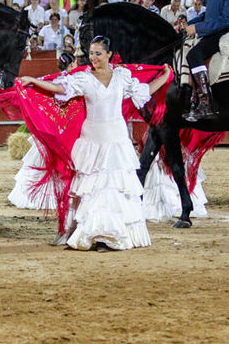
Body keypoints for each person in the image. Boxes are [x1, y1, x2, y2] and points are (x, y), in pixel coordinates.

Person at [18, 36, 172, 251]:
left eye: (98, 53)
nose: (93, 58)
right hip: (92, 139)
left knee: (114, 188)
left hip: (116, 139)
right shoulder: (84, 78)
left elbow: (144, 91)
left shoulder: (122, 76)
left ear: (109, 54)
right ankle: (95, 234)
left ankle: (111, 234)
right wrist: (34, 81)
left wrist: (165, 76)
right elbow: (59, 89)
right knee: (95, 189)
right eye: (91, 53)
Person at [8, 52, 79, 210]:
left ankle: (30, 195)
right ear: (73, 64)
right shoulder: (74, 79)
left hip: (52, 125)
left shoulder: (54, 79)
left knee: (43, 158)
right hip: (69, 126)